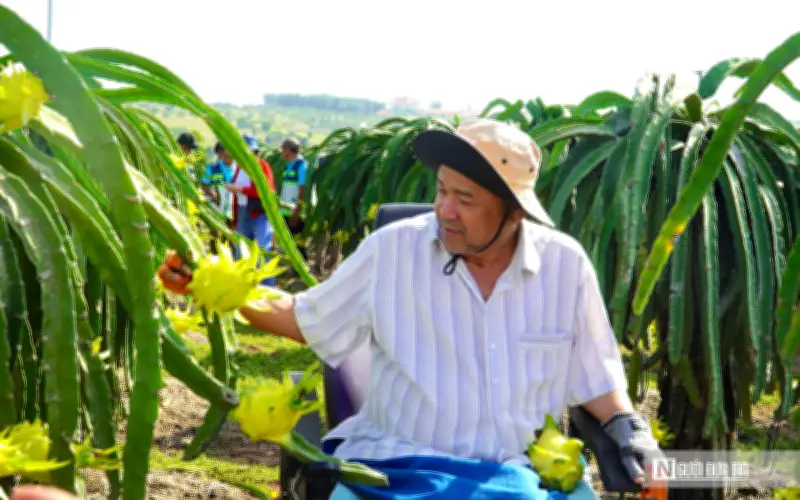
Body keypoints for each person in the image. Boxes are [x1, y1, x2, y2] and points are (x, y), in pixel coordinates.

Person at [159, 119, 664, 499]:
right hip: (393, 464)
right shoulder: (392, 250)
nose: (443, 209)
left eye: (464, 199)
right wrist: (210, 284)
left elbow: (598, 382)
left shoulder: (564, 267)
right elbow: (304, 316)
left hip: (523, 469)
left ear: (515, 213)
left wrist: (629, 430)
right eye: (441, 190)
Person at [224, 133, 278, 286]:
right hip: (242, 213)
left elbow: (266, 191)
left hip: (259, 215)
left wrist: (240, 189)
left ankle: (267, 289)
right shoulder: (240, 168)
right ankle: (241, 287)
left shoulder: (262, 166)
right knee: (240, 251)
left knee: (262, 252)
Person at [279, 137, 309, 260]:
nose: (281, 153)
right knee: (290, 244)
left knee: (299, 244)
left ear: (288, 150)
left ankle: (303, 271)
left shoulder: (302, 166)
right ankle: (295, 269)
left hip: (296, 213)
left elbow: (303, 192)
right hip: (286, 212)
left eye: (282, 150)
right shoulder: (288, 166)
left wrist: (296, 213)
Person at [201, 142, 235, 223]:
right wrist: (211, 192)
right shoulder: (211, 168)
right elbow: (204, 184)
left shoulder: (238, 169)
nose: (223, 155)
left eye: (224, 152)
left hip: (233, 211)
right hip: (216, 210)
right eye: (220, 152)